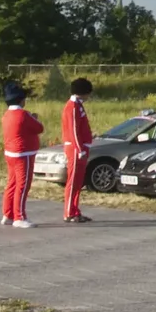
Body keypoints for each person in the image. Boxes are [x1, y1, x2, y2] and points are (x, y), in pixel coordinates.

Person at [0, 82, 44, 228]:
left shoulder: (6, 115)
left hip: (10, 153)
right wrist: (34, 118)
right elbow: (39, 128)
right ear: (20, 100)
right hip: (23, 153)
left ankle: (8, 214)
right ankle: (19, 216)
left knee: (12, 184)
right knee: (23, 185)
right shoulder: (23, 115)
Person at [61, 77, 96, 224]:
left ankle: (74, 210)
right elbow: (73, 130)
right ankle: (69, 212)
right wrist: (79, 148)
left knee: (78, 182)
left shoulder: (78, 105)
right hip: (75, 149)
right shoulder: (73, 107)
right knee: (73, 181)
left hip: (81, 148)